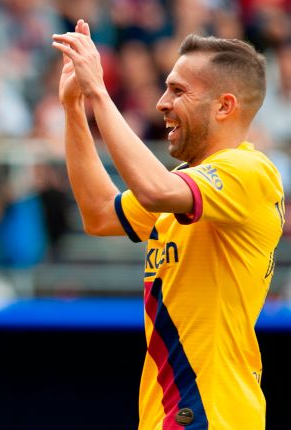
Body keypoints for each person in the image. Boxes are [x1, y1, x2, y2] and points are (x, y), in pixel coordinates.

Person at [53, 20, 283, 429]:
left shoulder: (249, 171)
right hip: (173, 413)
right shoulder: (186, 183)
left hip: (212, 413)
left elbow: (154, 190)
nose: (162, 103)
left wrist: (99, 92)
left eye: (178, 90)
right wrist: (74, 107)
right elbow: (100, 214)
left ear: (224, 106)